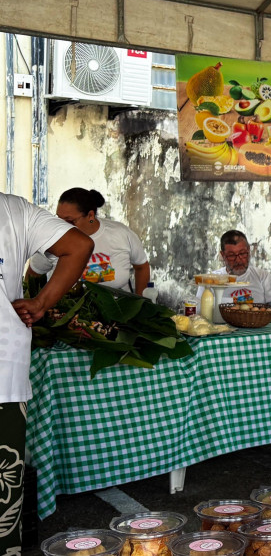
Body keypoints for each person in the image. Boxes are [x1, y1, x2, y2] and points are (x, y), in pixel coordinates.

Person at [1, 192, 93, 555]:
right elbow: (80, 246)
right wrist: (41, 303)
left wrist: (41, 301)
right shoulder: (13, 209)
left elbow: (80, 244)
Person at [26, 188, 150, 295]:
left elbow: (142, 267)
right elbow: (33, 275)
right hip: (71, 314)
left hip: (118, 312)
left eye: (69, 220)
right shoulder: (52, 239)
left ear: (90, 216)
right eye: (58, 219)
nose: (62, 226)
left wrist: (141, 302)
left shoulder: (121, 233)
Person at [203, 230, 271, 306]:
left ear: (248, 250)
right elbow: (202, 311)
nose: (238, 260)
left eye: (242, 253)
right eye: (232, 255)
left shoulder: (262, 276)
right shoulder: (210, 280)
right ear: (223, 255)